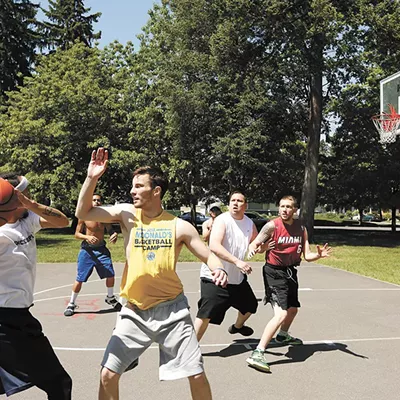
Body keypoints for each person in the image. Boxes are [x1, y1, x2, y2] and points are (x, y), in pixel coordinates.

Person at [75, 148, 228, 400]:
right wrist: (92, 177)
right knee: (107, 375)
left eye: (138, 186)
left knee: (197, 374)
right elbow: (83, 213)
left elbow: (209, 254)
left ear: (156, 191)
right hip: (134, 310)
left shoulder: (179, 226)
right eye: (132, 187)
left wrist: (218, 268)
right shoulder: (126, 215)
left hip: (173, 312)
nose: (132, 191)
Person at [0, 173, 72, 399]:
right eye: (25, 193)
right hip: (7, 318)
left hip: (18, 315)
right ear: (12, 197)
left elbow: (63, 221)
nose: (30, 196)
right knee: (59, 383)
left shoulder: (27, 219)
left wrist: (31, 204)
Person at [246, 195, 332, 373]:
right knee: (281, 313)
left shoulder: (301, 228)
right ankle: (258, 352)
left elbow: (307, 256)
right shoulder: (272, 226)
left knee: (293, 309)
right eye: (282, 206)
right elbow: (254, 243)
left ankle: (283, 336)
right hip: (274, 272)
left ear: (295, 210)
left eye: (288, 207)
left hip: (291, 272)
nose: (284, 210)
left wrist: (319, 255)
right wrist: (255, 248)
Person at [194, 191, 259, 342]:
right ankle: (189, 350)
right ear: (229, 204)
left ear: (246, 205)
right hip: (215, 276)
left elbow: (255, 244)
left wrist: (263, 246)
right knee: (206, 314)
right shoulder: (222, 220)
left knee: (250, 306)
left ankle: (237, 327)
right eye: (233, 200)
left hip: (236, 279)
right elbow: (214, 246)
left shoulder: (249, 223)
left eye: (239, 201)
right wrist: (238, 262)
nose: (235, 203)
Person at [64, 194, 120, 317]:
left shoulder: (104, 217)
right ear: (90, 202)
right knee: (80, 279)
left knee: (110, 274)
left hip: (101, 250)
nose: (96, 202)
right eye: (94, 200)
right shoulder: (84, 216)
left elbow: (110, 229)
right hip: (87, 252)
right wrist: (87, 237)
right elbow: (77, 234)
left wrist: (113, 234)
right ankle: (71, 303)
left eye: (98, 200)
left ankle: (110, 297)